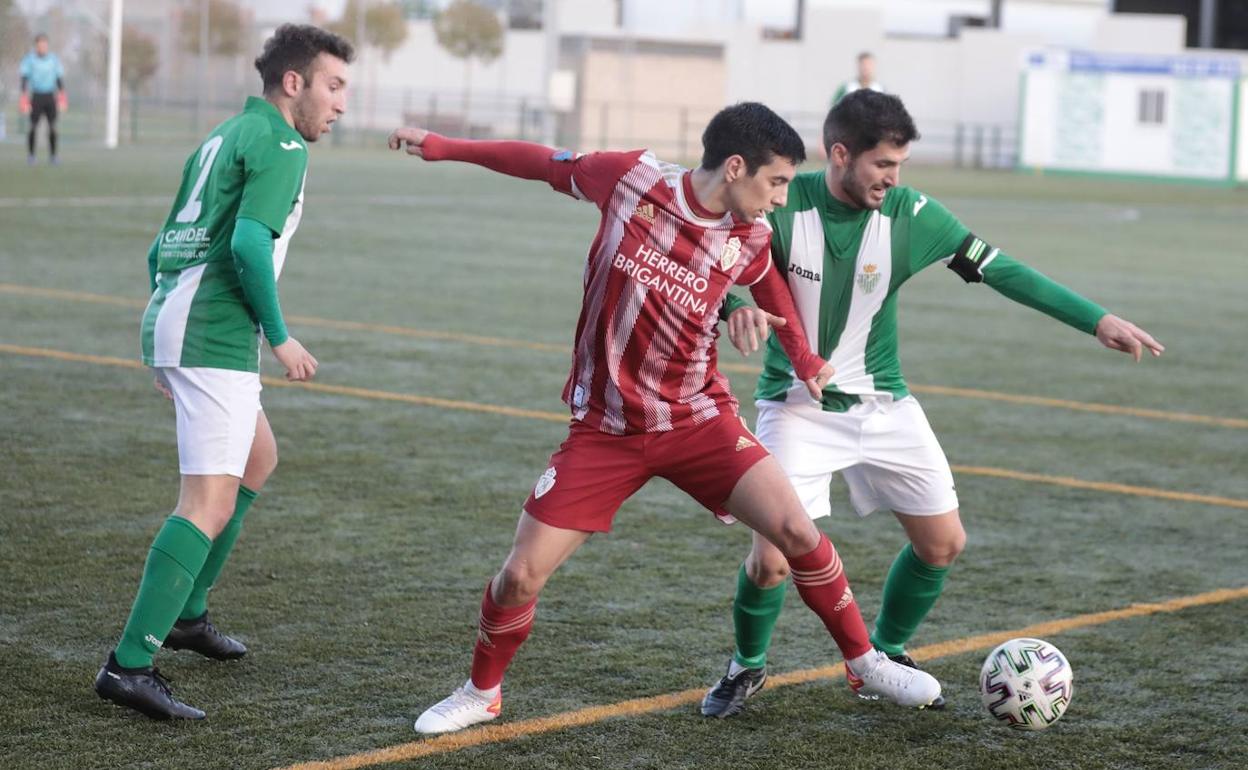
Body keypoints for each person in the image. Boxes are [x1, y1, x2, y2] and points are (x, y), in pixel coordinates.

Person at [388, 102, 944, 736]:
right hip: (606, 429)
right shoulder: (631, 180)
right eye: (777, 182)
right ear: (736, 167)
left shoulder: (750, 238)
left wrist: (805, 359)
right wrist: (442, 144)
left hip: (697, 420)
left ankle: (864, 660)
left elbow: (772, 298)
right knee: (519, 575)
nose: (782, 199)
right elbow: (540, 162)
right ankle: (480, 692)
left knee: (794, 528)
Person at [699, 89, 1163, 718]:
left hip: (885, 405)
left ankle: (881, 658)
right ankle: (746, 667)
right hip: (797, 407)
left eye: (900, 167)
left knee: (943, 543)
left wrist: (1095, 319)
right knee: (770, 562)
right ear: (840, 154)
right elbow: (718, 261)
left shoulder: (914, 216)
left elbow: (1003, 271)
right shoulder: (782, 200)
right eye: (883, 165)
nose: (893, 179)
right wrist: (737, 306)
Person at [93, 24, 353, 721]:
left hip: (183, 321)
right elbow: (245, 243)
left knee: (258, 459)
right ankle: (130, 663)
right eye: (334, 86)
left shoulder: (221, 136)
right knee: (205, 505)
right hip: (215, 333)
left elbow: (162, 243)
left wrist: (161, 333)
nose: (341, 105)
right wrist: (281, 337)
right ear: (292, 83)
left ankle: (187, 616)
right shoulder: (282, 143)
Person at [18, 33, 66, 165]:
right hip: (36, 96)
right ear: (36, 46)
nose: (42, 47)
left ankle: (53, 156)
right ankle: (31, 156)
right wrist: (24, 98)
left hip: (50, 96)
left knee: (52, 127)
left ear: (47, 46)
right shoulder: (29, 60)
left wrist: (62, 97)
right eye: (40, 45)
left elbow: (59, 79)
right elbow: (24, 79)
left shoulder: (54, 60)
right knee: (33, 127)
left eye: (44, 45)